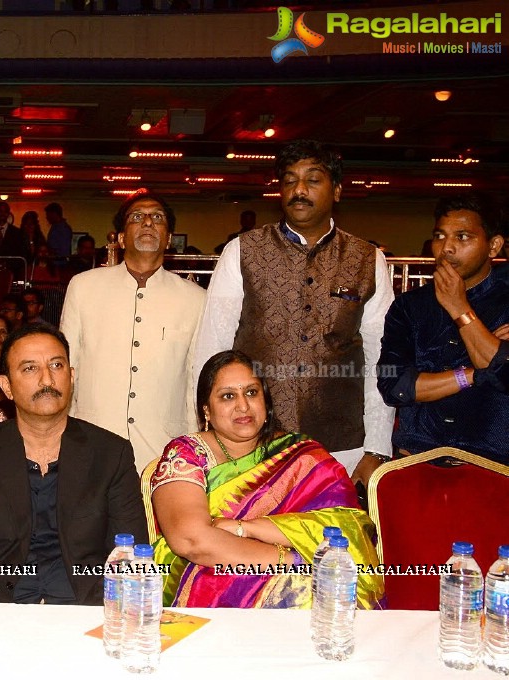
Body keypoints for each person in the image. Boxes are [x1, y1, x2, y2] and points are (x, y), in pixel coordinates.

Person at [192, 140, 395, 487]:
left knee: (331, 540)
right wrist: (208, 438)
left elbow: (380, 358)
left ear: (337, 190)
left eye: (313, 180)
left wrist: (376, 447)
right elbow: (211, 352)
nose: (299, 190)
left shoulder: (367, 259)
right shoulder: (242, 251)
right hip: (251, 443)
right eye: (289, 180)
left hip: (342, 446)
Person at [150, 350, 384, 609]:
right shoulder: (186, 454)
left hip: (295, 567)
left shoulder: (300, 453)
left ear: (266, 401)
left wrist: (247, 527)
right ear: (206, 409)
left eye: (251, 392)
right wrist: (292, 562)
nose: (243, 406)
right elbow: (191, 540)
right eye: (228, 396)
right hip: (207, 572)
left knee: (330, 588)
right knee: (307, 589)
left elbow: (348, 528)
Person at [0, 325, 146, 604]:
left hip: (85, 605)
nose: (46, 378)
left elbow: (130, 554)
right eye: (29, 368)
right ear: (6, 387)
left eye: (56, 365)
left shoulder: (111, 453)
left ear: (71, 377)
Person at [61, 189, 205, 474]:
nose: (148, 222)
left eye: (158, 218)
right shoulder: (83, 287)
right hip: (90, 444)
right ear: (122, 237)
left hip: (164, 452)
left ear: (169, 238)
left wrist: (193, 448)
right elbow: (66, 367)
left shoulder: (195, 299)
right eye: (137, 217)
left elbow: (194, 379)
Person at [379, 194, 509, 464]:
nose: (446, 248)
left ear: (493, 246)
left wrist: (459, 309)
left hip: (494, 466)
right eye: (440, 236)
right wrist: (474, 374)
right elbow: (394, 386)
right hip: (419, 460)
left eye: (462, 237)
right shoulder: (409, 307)